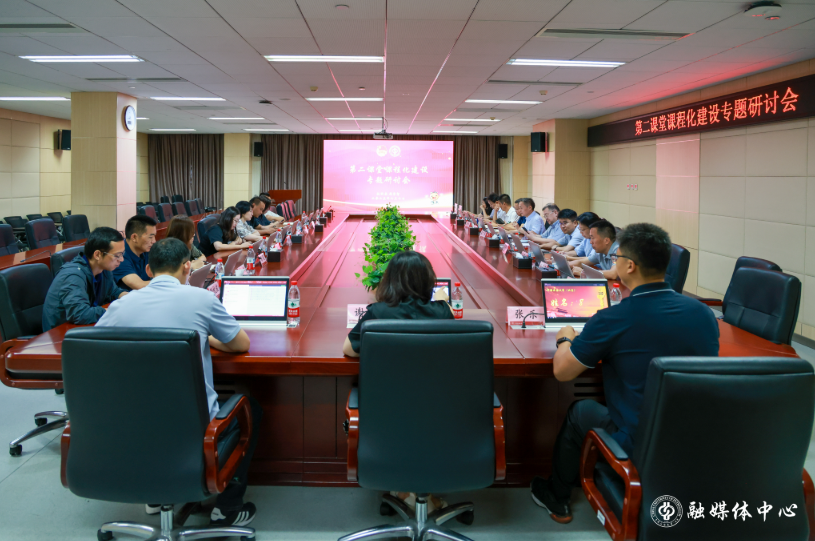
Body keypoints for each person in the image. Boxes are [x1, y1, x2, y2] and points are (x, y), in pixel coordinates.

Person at [530, 223, 719, 524]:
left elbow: (563, 372)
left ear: (629, 265)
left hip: (639, 441)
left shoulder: (613, 318)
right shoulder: (704, 314)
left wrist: (565, 338)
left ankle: (558, 495)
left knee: (581, 411)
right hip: (700, 436)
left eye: (617, 256)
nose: (614, 261)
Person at [96, 238, 260, 527]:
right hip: (192, 427)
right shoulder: (201, 299)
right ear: (187, 268)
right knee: (251, 410)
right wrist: (203, 336)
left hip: (129, 424)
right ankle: (228, 507)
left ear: (148, 270)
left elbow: (96, 347)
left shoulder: (120, 306)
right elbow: (240, 344)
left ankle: (156, 492)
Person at [343, 250, 454, 512]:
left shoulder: (378, 313)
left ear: (389, 281)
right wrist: (442, 302)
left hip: (387, 413)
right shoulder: (442, 312)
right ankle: (420, 493)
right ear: (428, 282)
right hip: (438, 412)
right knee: (423, 422)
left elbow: (349, 349)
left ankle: (404, 490)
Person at [42, 227, 128, 331]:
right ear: (97, 255)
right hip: (61, 334)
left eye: (122, 254)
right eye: (117, 255)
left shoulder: (103, 270)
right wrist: (110, 311)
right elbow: (80, 314)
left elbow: (113, 292)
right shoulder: (73, 276)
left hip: (85, 328)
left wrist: (131, 298)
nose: (121, 259)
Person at [113, 215, 157, 291]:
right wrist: (168, 282)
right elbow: (139, 285)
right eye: (150, 237)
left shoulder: (147, 250)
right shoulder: (119, 256)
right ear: (134, 237)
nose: (154, 241)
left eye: (154, 236)